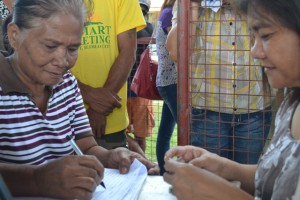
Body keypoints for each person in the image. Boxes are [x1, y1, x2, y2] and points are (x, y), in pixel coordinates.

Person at [0, 0, 156, 199]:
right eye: (49, 46)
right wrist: (37, 179)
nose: (62, 60)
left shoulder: (66, 83)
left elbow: (86, 146)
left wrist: (111, 156)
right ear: (14, 35)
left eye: (73, 49)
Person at [163, 0, 300, 199]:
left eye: (266, 36)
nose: (255, 51)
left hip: (254, 107)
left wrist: (224, 193)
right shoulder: (290, 105)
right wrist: (226, 168)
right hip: (208, 106)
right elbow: (278, 178)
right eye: (253, 38)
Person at [190, 0, 272, 164]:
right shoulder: (191, 5)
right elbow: (175, 52)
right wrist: (193, 5)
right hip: (208, 109)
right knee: (210, 182)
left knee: (245, 183)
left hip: (254, 106)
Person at [70, 0, 146, 150]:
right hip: (63, 117)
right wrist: (88, 94)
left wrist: (98, 108)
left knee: (113, 169)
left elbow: (128, 53)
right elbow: (47, 53)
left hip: (108, 121)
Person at [126, 0, 155, 155]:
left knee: (136, 136)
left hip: (133, 89)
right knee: (139, 136)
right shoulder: (148, 27)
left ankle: (140, 163)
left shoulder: (145, 28)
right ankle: (141, 162)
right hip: (136, 89)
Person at [155, 0, 177, 175]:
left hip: (168, 80)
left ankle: (164, 170)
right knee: (184, 129)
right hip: (172, 81)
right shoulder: (170, 13)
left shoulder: (167, 12)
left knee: (165, 130)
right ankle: (166, 171)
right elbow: (178, 47)